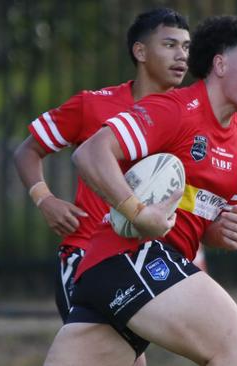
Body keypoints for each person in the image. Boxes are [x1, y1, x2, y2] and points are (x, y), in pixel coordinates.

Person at [44, 15, 237, 366]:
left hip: (120, 276)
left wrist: (221, 231)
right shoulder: (176, 109)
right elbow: (90, 153)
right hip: (130, 257)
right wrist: (137, 212)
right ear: (221, 64)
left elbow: (199, 219)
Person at [13, 7, 191, 365]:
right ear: (140, 52)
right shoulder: (93, 105)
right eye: (170, 44)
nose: (181, 56)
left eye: (186, 47)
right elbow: (27, 151)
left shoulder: (185, 115)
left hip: (143, 263)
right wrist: (44, 198)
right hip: (86, 259)